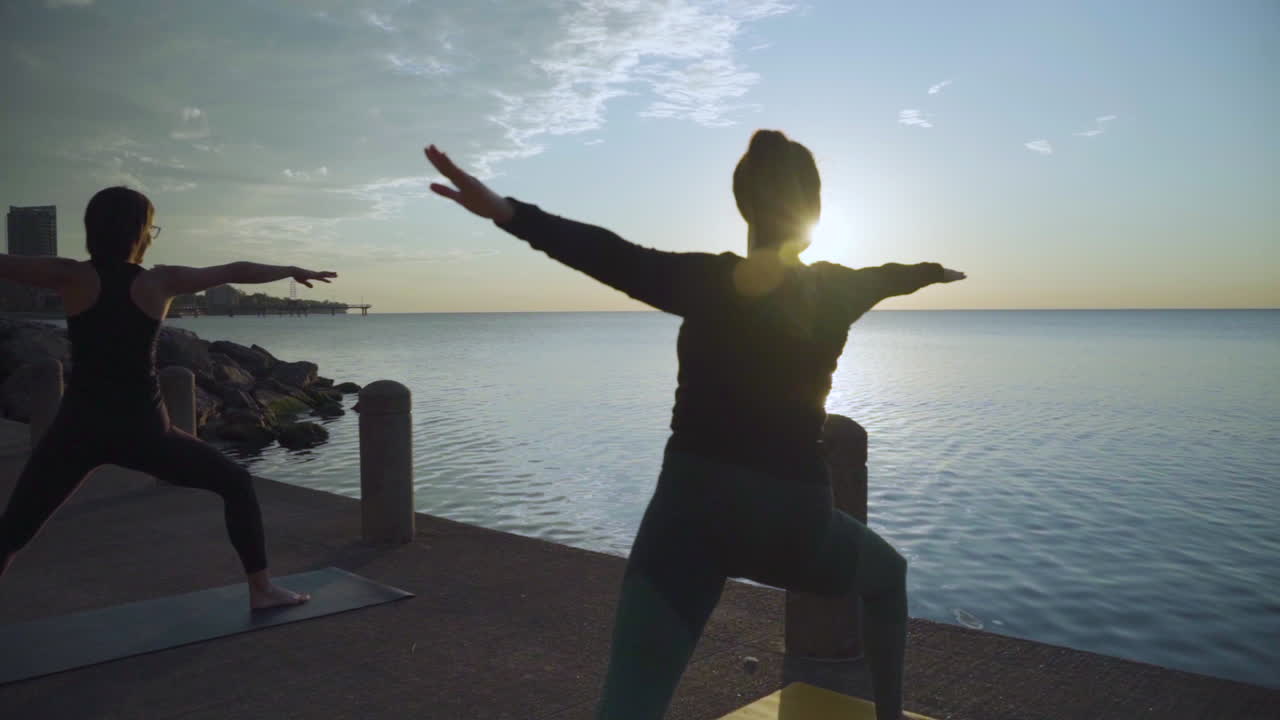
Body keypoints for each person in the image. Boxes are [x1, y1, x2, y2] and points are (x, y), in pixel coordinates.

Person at [425, 130, 964, 719]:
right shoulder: (837, 288)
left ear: (742, 206)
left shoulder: (707, 280)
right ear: (815, 210)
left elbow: (607, 253)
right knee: (888, 577)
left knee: (629, 707)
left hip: (692, 515)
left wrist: (505, 211)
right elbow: (890, 274)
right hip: (795, 520)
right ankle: (887, 715)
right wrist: (933, 271)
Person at [0, 186, 335, 610]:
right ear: (140, 232)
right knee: (236, 483)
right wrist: (289, 268)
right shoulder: (161, 281)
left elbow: (4, 264)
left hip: (78, 428)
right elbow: (235, 269)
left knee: (13, 529)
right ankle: (262, 590)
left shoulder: (72, 275)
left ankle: (264, 590)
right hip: (145, 430)